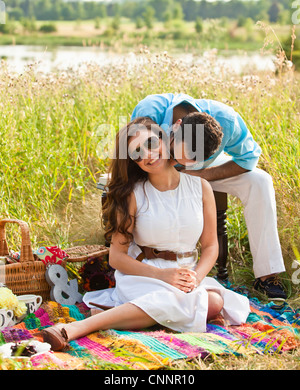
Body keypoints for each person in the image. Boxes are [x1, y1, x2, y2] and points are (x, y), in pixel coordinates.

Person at [41, 117, 250, 351]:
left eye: (150, 143)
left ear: (164, 139)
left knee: (215, 301)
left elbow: (211, 246)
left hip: (186, 277)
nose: (147, 155)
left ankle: (131, 312)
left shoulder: (201, 188)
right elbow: (117, 258)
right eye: (137, 152)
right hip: (144, 275)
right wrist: (162, 276)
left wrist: (197, 277)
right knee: (193, 303)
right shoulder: (133, 194)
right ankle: (77, 329)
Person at [131, 93, 287, 300]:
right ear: (176, 126)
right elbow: (134, 153)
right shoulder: (150, 111)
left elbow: (249, 157)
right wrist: (172, 164)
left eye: (189, 160)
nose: (183, 163)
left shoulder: (227, 121)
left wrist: (202, 174)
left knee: (261, 181)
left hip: (203, 169)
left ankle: (267, 276)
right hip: (157, 164)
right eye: (180, 156)